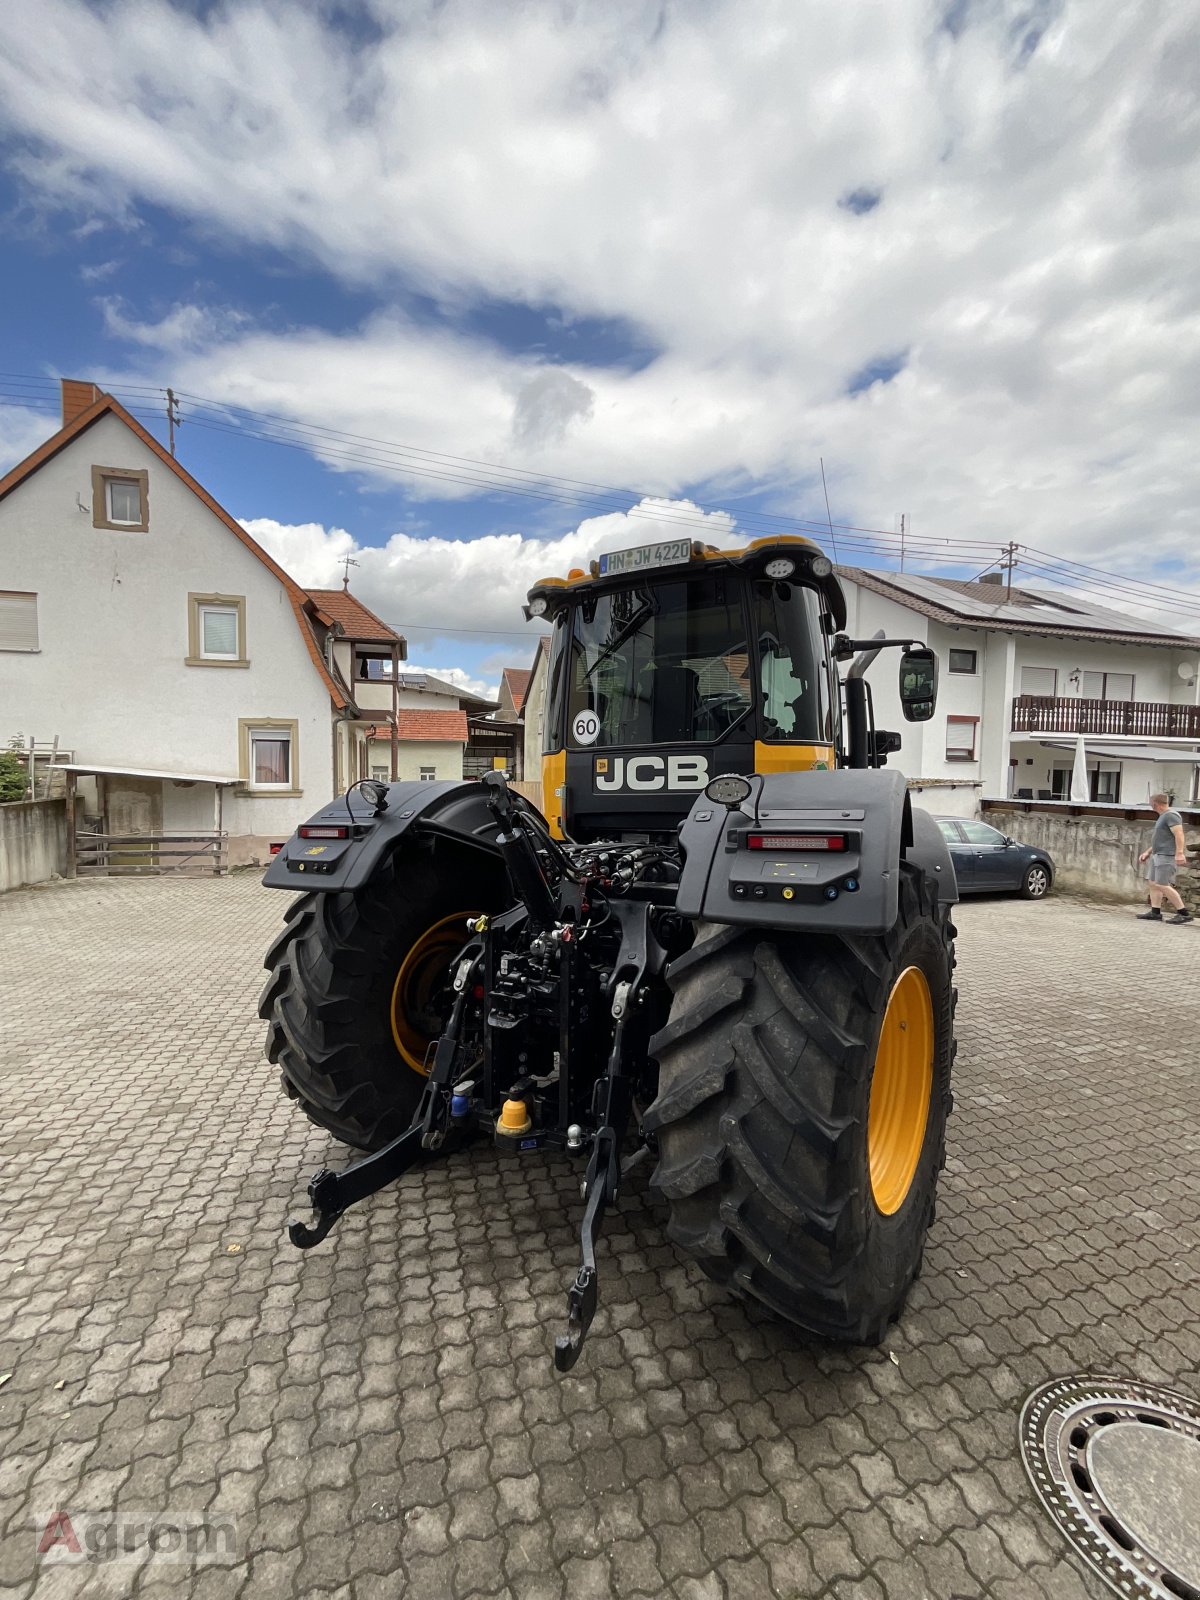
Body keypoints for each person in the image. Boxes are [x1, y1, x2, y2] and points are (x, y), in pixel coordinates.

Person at [1137, 793, 1193, 923]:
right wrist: (1148, 852)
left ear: (1155, 803)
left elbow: (1179, 834)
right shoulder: (1163, 816)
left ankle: (1183, 913)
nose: (1150, 805)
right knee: (1153, 883)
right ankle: (1155, 912)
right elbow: (1161, 839)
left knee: (1163, 885)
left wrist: (1179, 853)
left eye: (1151, 803)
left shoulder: (1171, 815)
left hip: (1166, 856)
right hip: (1158, 854)